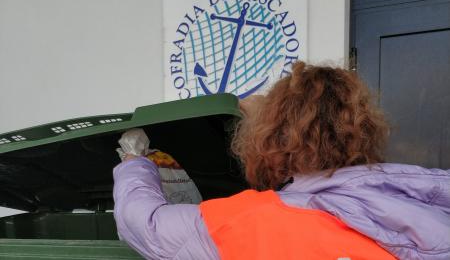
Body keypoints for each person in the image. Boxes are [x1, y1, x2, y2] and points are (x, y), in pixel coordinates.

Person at [113, 62, 450, 260]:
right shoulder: (419, 198)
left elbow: (147, 224)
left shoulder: (254, 220)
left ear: (266, 139)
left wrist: (133, 157)